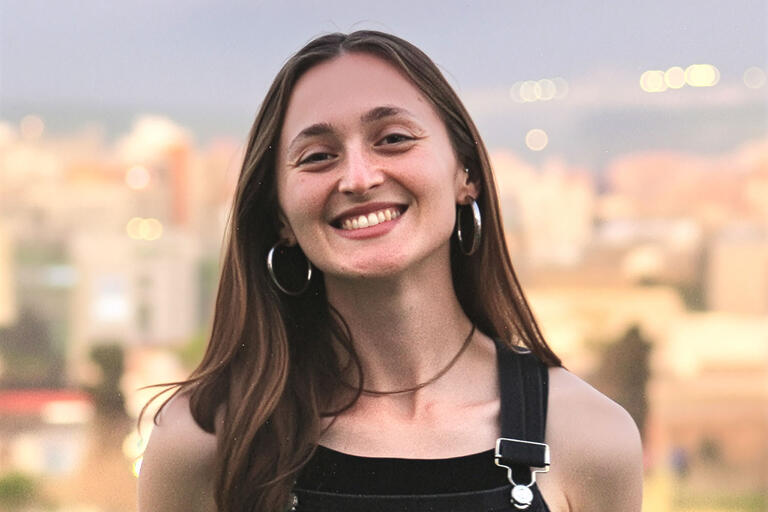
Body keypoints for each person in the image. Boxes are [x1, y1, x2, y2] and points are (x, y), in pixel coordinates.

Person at [137, 30, 643, 512]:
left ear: (464, 173)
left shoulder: (588, 438)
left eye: (394, 138)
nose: (358, 178)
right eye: (317, 156)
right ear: (279, 217)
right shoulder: (203, 443)